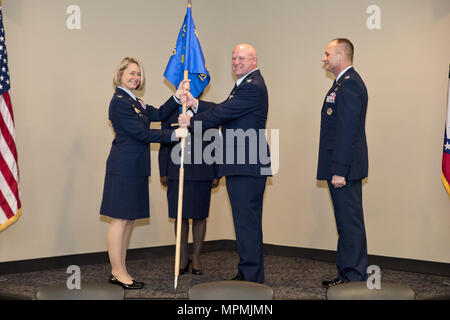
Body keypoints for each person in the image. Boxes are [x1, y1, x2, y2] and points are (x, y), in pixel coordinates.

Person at [178, 44, 271, 283]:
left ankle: (251, 278)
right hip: (243, 164)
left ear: (254, 60)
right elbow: (224, 109)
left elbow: (222, 114)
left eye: (241, 58)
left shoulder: (253, 86)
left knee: (247, 223)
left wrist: (191, 121)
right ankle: (248, 273)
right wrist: (196, 103)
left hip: (246, 164)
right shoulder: (244, 86)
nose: (236, 62)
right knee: (245, 223)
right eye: (233, 58)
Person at [99, 57, 188, 290]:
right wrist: (173, 135)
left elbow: (158, 114)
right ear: (119, 75)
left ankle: (120, 269)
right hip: (123, 168)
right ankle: (118, 271)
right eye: (131, 73)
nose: (136, 77)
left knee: (128, 219)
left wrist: (177, 97)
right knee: (120, 219)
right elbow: (142, 134)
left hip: (135, 167)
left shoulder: (134, 101)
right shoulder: (119, 102)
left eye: (138, 74)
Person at [317, 39, 369, 287]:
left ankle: (355, 277)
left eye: (327, 54)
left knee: (350, 223)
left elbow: (347, 132)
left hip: (344, 169)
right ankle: (346, 274)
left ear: (341, 55)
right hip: (339, 167)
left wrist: (339, 170)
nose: (324, 58)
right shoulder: (342, 84)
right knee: (344, 223)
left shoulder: (350, 85)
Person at [158, 107, 219, 275]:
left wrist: (216, 172)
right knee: (180, 216)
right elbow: (164, 144)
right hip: (176, 172)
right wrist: (163, 171)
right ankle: (183, 258)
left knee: (200, 216)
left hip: (203, 171)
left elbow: (215, 144)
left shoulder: (208, 114)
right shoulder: (171, 114)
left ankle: (197, 258)